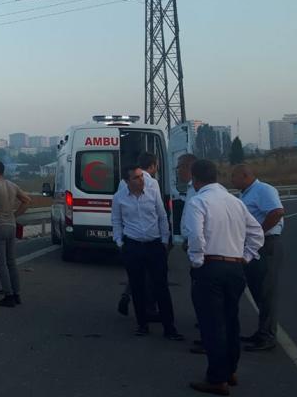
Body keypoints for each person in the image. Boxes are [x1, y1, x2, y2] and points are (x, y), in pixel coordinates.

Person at [183, 159, 264, 395]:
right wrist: (246, 256)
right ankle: (230, 371)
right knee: (231, 321)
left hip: (211, 267)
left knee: (212, 325)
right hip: (235, 267)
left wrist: (197, 261)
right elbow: (257, 232)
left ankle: (217, 378)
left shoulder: (198, 202)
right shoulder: (235, 201)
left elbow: (196, 236)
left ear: (196, 180)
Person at [111, 164, 183, 340]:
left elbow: (162, 216)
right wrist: (120, 242)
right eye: (136, 178)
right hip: (133, 245)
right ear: (127, 181)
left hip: (154, 245)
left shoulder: (152, 193)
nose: (141, 180)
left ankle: (169, 328)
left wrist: (164, 240)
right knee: (137, 287)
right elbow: (116, 221)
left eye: (142, 176)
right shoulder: (119, 198)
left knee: (161, 287)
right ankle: (142, 324)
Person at [231, 164, 284, 352]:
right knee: (257, 290)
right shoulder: (245, 194)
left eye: (234, 176)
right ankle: (262, 331)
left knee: (266, 291)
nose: (232, 180)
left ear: (245, 176)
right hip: (255, 247)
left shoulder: (264, 190)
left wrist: (258, 234)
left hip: (266, 245)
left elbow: (277, 212)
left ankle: (268, 336)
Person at [117, 151, 165, 317]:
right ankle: (150, 310)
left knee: (137, 274)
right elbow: (161, 214)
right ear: (152, 166)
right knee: (152, 278)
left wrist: (120, 240)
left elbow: (117, 217)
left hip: (130, 238)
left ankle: (131, 301)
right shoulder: (153, 183)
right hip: (151, 239)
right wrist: (165, 239)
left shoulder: (123, 183)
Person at [0, 160, 30, 307]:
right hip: (11, 225)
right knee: (12, 262)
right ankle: (16, 294)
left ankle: (8, 295)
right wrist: (15, 215)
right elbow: (27, 200)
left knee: (1, 263)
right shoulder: (12, 185)